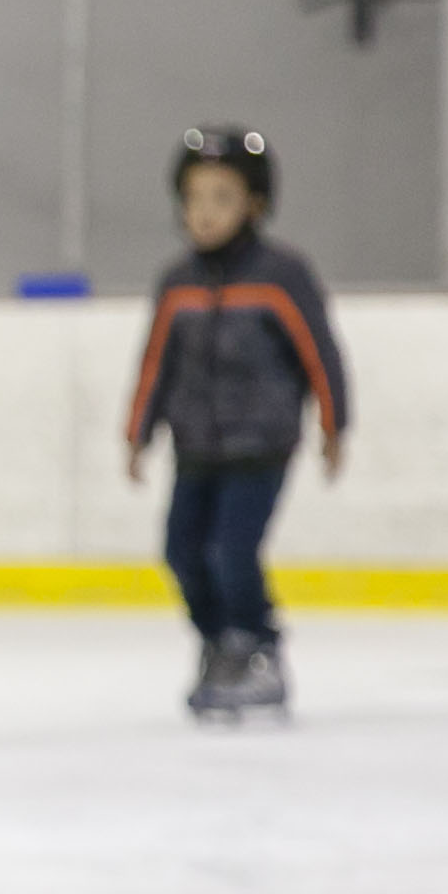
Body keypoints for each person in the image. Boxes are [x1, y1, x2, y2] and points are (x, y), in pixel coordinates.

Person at [124, 123, 347, 722]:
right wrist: (138, 433)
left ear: (254, 204)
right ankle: (220, 641)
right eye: (194, 199)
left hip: (261, 444)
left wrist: (334, 423)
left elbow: (319, 352)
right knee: (180, 550)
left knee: (232, 550)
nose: (204, 214)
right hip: (195, 443)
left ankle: (258, 648)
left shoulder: (281, 276)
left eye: (221, 199)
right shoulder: (178, 283)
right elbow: (155, 363)